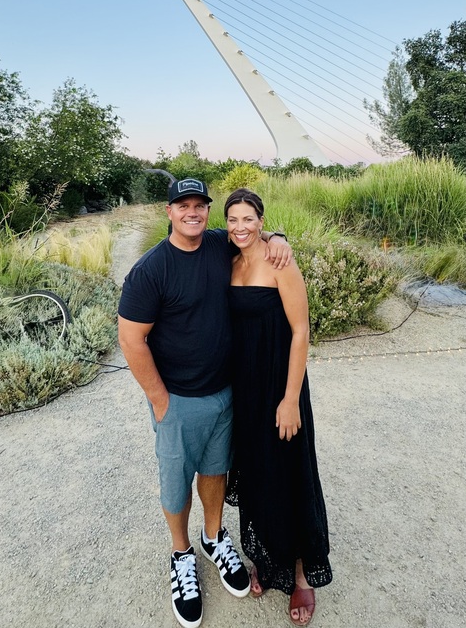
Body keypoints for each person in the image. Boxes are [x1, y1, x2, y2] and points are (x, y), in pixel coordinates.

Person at [117, 178, 292, 628]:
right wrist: (160, 401)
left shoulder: (217, 244)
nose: (192, 212)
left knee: (215, 472)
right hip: (178, 400)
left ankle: (213, 537)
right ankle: (181, 555)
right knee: (176, 484)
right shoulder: (151, 270)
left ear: (207, 212)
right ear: (170, 211)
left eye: (200, 205)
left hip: (225, 393)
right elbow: (131, 339)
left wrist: (278, 237)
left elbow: (251, 231)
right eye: (183, 206)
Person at [224, 188, 332, 626]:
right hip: (244, 385)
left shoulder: (279, 260)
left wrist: (290, 400)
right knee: (256, 469)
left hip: (281, 383)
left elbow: (301, 330)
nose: (240, 227)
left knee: (289, 469)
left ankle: (302, 573)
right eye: (233, 219)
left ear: (262, 219)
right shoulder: (228, 259)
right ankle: (269, 561)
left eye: (249, 219)